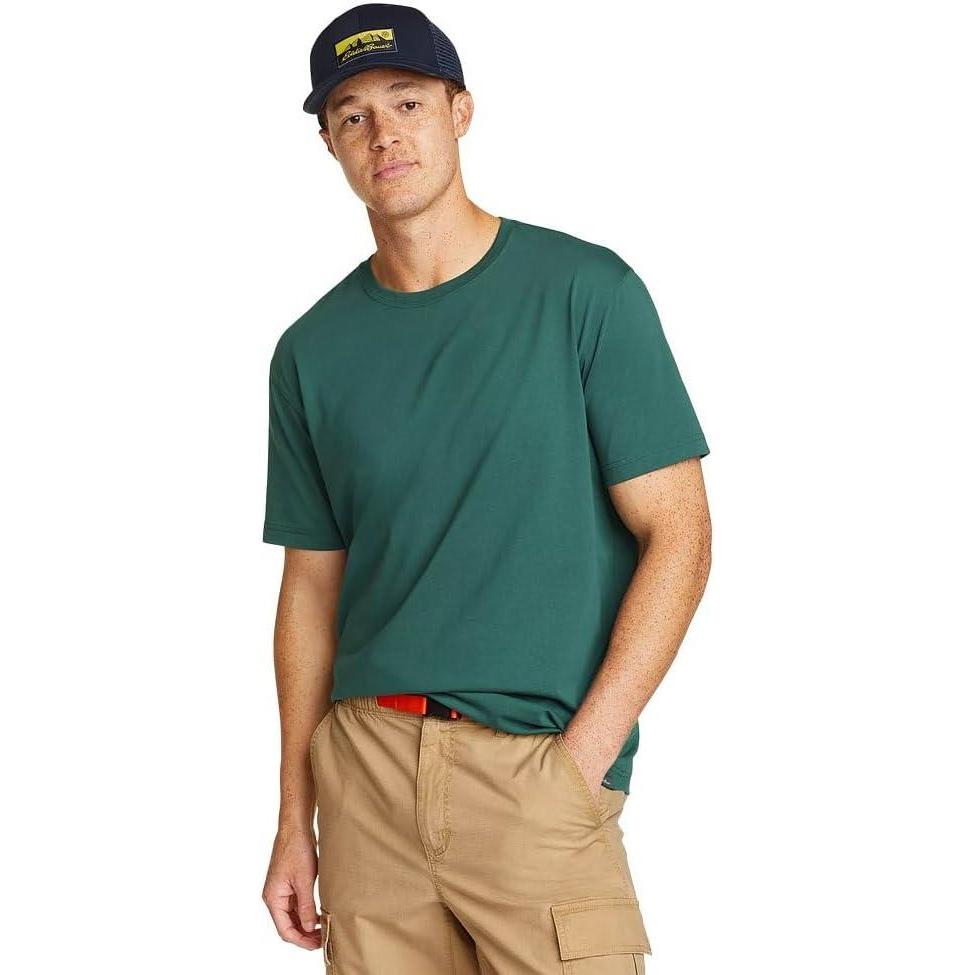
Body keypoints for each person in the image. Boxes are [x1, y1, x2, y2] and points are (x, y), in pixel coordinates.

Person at [261, 4, 712, 971]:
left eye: (408, 102)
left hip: (536, 770)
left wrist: (582, 760)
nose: (383, 134)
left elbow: (678, 533)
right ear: (329, 144)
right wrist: (296, 814)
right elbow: (309, 588)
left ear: (460, 112)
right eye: (351, 115)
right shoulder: (311, 350)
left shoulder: (586, 292)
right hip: (366, 781)